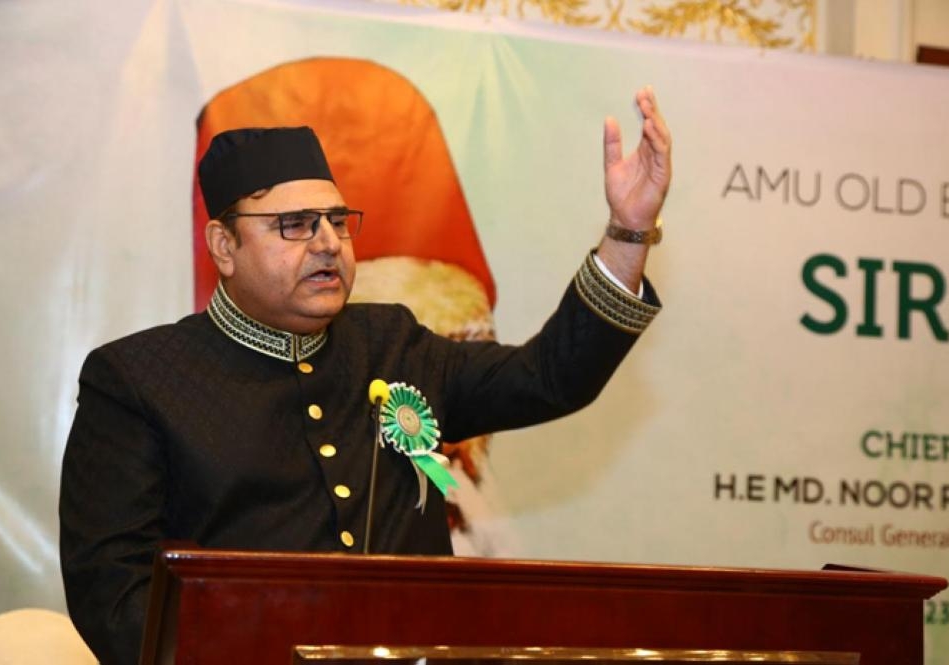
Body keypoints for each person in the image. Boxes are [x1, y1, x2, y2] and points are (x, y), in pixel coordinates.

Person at [59, 86, 672, 665]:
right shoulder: (137, 380)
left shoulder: (391, 342)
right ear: (223, 246)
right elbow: (116, 600)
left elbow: (550, 376)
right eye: (295, 224)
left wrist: (628, 232)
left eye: (336, 220)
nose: (328, 243)